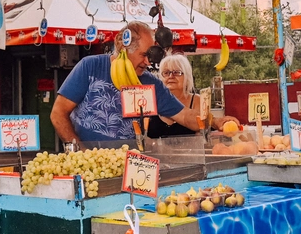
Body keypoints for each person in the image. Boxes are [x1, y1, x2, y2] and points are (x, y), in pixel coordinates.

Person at [51, 22, 201, 146]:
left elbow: (185, 116)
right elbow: (58, 113)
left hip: (130, 165)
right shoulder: (90, 67)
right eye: (143, 55)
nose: (148, 62)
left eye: (150, 56)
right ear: (124, 48)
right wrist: (79, 150)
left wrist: (215, 121)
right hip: (88, 163)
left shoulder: (151, 83)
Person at [146, 53, 238, 138]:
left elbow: (203, 135)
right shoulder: (151, 100)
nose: (171, 76)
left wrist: (216, 122)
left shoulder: (197, 100)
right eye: (166, 73)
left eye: (177, 72)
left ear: (187, 76)